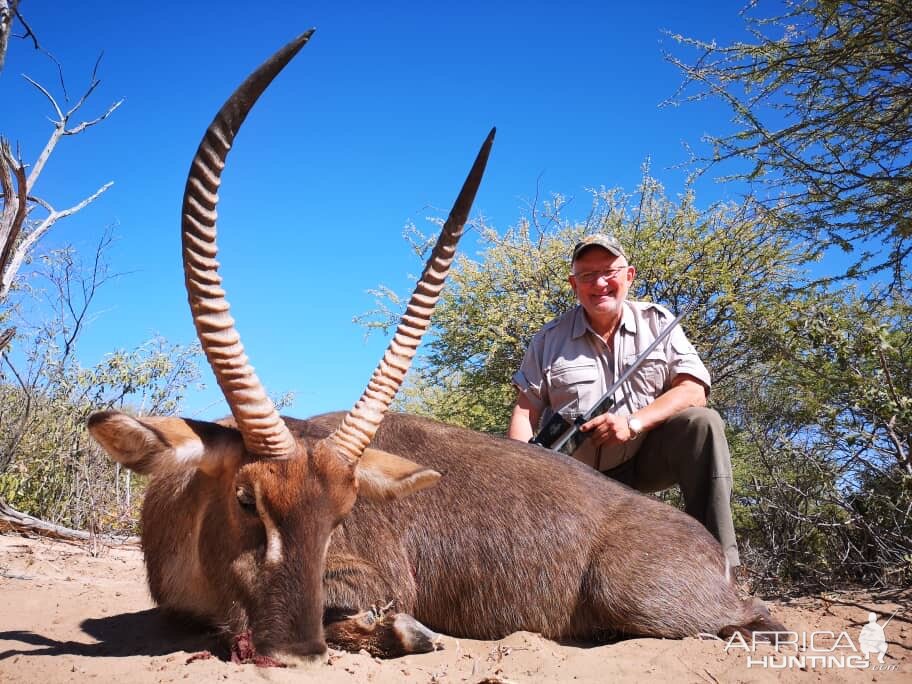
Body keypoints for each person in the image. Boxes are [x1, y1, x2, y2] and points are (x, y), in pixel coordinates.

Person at [507, 234, 740, 568]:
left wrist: (632, 424)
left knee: (704, 424)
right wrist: (520, 468)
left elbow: (694, 390)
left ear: (629, 275)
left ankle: (722, 567)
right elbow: (524, 410)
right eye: (587, 276)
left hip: (643, 458)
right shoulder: (548, 339)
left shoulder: (658, 321)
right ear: (574, 284)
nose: (600, 283)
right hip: (574, 477)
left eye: (609, 272)